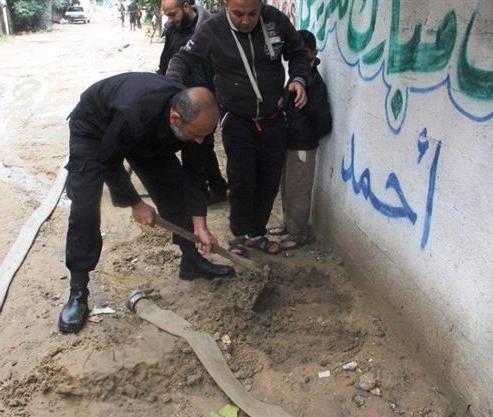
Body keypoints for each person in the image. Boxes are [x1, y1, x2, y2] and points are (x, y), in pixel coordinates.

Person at [60, 72, 235, 334]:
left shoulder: (199, 123)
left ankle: (191, 261)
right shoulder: (134, 113)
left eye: (205, 135)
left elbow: (195, 173)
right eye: (197, 135)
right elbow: (108, 160)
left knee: (175, 192)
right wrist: (136, 203)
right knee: (85, 206)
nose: (201, 140)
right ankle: (77, 291)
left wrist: (200, 225)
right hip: (95, 129)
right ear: (176, 119)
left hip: (147, 137)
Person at [166, 0, 311, 257]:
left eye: (253, 13)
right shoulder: (212, 29)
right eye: (238, 13)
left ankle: (256, 233)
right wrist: (171, 91)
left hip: (273, 117)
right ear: (226, 5)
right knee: (243, 179)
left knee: (268, 180)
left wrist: (299, 78)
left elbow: (298, 52)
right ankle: (239, 233)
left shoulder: (275, 19)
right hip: (236, 119)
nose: (246, 20)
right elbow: (182, 59)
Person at [158, 0, 227, 205]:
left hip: (203, 100)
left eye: (172, 14)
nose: (169, 19)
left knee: (199, 146)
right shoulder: (173, 28)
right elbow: (167, 59)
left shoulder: (207, 30)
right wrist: (162, 84)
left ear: (187, 7)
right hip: (177, 94)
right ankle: (214, 187)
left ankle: (210, 190)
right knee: (196, 146)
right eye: (167, 15)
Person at [268, 29, 332, 249]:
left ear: (313, 53)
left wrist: (304, 132)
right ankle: (289, 224)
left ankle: (299, 232)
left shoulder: (314, 84)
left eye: (305, 53)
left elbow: (323, 121)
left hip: (302, 144)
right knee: (287, 186)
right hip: (289, 142)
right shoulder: (295, 77)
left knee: (299, 189)